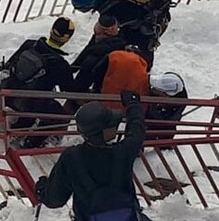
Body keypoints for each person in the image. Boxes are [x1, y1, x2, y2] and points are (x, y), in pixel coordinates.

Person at [35, 93, 152, 221]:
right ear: (103, 131)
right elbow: (136, 132)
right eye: (113, 124)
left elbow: (55, 200)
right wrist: (133, 104)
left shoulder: (71, 157)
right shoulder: (122, 152)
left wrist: (42, 188)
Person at [47, 0, 173, 69]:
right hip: (148, 13)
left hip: (148, 24)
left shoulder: (108, 14)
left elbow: (94, 43)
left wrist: (76, 65)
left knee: (141, 48)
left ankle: (144, 72)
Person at [0, 17, 77, 148]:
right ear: (66, 38)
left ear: (51, 30)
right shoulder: (60, 64)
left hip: (9, 95)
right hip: (30, 105)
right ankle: (32, 144)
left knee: (33, 96)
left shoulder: (29, 45)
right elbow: (69, 90)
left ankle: (19, 129)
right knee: (57, 113)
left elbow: (9, 64)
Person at [66, 15, 127, 113]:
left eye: (98, 32)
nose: (96, 35)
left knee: (76, 106)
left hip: (101, 87)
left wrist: (75, 88)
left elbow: (87, 70)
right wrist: (73, 67)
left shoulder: (98, 52)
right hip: (103, 86)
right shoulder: (119, 43)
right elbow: (86, 51)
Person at [145, 72, 187, 141]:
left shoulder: (178, 103)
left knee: (165, 129)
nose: (153, 90)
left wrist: (153, 108)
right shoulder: (165, 81)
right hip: (156, 113)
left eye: (159, 91)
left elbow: (165, 120)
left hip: (162, 123)